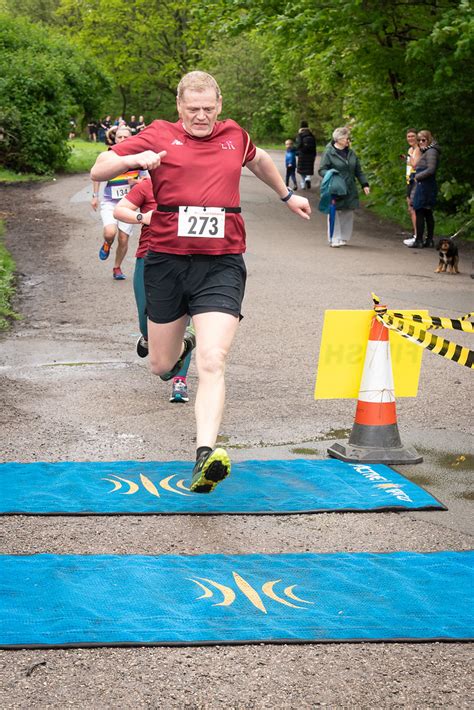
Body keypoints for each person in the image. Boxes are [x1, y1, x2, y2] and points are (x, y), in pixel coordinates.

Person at [90, 70, 310, 493]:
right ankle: (178, 347)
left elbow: (261, 159)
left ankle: (205, 454)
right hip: (167, 262)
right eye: (194, 110)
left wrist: (287, 195)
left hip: (221, 263)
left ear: (220, 105)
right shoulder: (158, 134)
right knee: (160, 365)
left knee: (213, 360)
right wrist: (136, 160)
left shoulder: (234, 135)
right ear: (179, 108)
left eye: (209, 108)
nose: (202, 117)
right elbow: (101, 167)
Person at [113, 178, 193, 403]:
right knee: (144, 316)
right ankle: (148, 337)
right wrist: (142, 217)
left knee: (181, 324)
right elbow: (120, 210)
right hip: (148, 259)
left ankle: (179, 380)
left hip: (184, 260)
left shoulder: (193, 184)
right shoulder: (146, 186)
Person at [91, 125, 148, 280]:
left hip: (129, 205)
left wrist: (134, 181)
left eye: (126, 137)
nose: (123, 140)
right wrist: (95, 196)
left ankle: (117, 267)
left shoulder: (139, 158)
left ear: (132, 139)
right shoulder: (110, 157)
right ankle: (107, 243)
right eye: (120, 137)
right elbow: (96, 175)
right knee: (110, 232)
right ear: (115, 139)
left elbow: (146, 180)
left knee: (123, 238)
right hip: (110, 202)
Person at [318, 126, 370, 247]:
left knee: (348, 211)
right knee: (334, 212)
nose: (349, 140)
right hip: (335, 186)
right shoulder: (329, 152)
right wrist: (331, 173)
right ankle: (334, 238)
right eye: (347, 138)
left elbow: (358, 170)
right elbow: (322, 170)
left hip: (350, 187)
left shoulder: (351, 153)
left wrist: (364, 184)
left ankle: (343, 237)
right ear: (339, 139)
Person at [404, 130, 440, 249]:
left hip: (425, 185)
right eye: (419, 141)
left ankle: (420, 240)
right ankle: (428, 240)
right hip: (424, 184)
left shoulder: (431, 152)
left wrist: (417, 177)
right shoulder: (428, 151)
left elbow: (431, 169)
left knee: (420, 210)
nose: (421, 142)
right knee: (426, 211)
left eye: (423, 140)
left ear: (429, 139)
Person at [294, 120, 316, 190]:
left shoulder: (300, 134)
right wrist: (314, 154)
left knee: (302, 170)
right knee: (308, 168)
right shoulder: (311, 134)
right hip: (311, 155)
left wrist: (296, 152)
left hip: (302, 154)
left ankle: (303, 184)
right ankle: (308, 178)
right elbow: (314, 145)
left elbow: (298, 145)